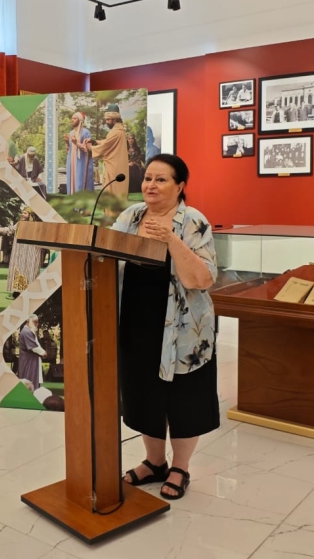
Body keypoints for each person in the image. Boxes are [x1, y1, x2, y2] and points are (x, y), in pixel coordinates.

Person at [113, 154, 218, 500]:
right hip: (136, 321)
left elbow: (203, 279)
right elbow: (105, 255)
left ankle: (180, 467)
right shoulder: (131, 216)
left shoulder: (193, 221)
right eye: (148, 179)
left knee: (184, 398)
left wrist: (172, 239)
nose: (151, 186)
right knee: (144, 394)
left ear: (180, 186)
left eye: (161, 180)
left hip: (184, 329)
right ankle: (155, 462)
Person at [0, 209, 44, 299]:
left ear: (30, 215)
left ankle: (30, 293)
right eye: (22, 213)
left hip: (31, 253)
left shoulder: (35, 226)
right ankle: (17, 293)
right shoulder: (19, 224)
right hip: (19, 253)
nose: (22, 214)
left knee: (30, 271)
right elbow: (9, 229)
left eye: (25, 213)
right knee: (18, 270)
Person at [90, 103, 130, 200]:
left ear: (115, 119)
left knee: (112, 191)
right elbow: (108, 142)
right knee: (117, 191)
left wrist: (89, 148)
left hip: (114, 168)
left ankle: (112, 210)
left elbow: (105, 147)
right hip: (118, 166)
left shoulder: (115, 132)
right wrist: (96, 142)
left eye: (108, 120)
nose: (107, 122)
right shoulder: (120, 131)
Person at [64, 111, 94, 193]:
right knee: (72, 181)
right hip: (72, 162)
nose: (72, 120)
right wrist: (67, 142)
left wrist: (76, 143)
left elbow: (88, 149)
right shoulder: (71, 133)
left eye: (74, 118)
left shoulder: (86, 132)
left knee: (81, 182)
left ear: (80, 120)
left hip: (81, 162)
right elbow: (68, 150)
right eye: (72, 118)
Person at [17, 314, 47, 390]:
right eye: (35, 322)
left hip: (31, 359)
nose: (37, 324)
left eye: (37, 322)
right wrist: (43, 352)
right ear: (28, 321)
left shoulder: (29, 331)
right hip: (29, 361)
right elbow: (33, 347)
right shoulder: (26, 332)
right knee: (30, 380)